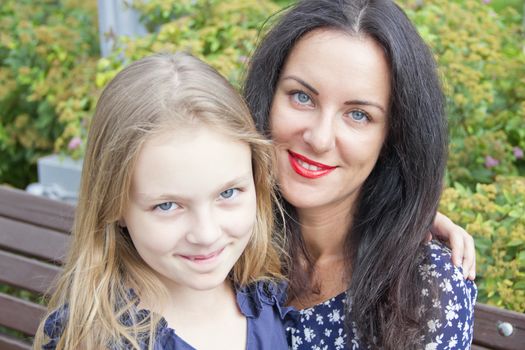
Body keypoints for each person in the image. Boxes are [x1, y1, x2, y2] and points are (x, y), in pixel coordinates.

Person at [243, 0, 477, 348]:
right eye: (302, 97)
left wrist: (410, 215)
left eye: (358, 115)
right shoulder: (221, 240)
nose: (319, 138)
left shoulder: (427, 290)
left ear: (392, 138)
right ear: (269, 95)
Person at [33, 52, 294, 350]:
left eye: (228, 193)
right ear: (114, 205)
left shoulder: (269, 296)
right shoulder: (95, 341)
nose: (206, 234)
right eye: (167, 206)